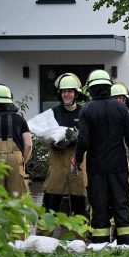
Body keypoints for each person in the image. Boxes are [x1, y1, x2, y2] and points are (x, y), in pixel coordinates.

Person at [73, 69, 129, 246]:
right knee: (121, 204)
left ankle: (99, 243)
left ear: (91, 89)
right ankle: (127, 243)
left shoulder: (86, 110)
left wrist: (78, 159)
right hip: (119, 166)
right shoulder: (120, 108)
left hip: (96, 168)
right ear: (108, 87)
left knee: (99, 206)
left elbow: (83, 140)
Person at [39, 73, 88, 222]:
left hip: (78, 159)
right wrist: (55, 142)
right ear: (60, 94)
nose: (67, 94)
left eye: (70, 91)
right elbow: (45, 133)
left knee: (79, 197)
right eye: (64, 91)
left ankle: (80, 237)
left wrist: (76, 137)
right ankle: (44, 235)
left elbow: (90, 136)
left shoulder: (83, 112)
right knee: (51, 196)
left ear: (76, 94)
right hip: (57, 158)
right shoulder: (53, 113)